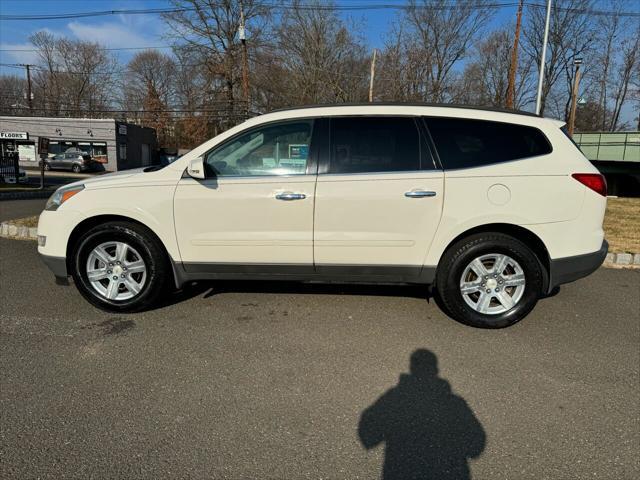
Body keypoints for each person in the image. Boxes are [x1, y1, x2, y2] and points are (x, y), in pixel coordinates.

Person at [358, 349, 486, 480]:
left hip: (401, 471)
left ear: (412, 367)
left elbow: (367, 434)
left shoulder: (395, 397)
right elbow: (477, 443)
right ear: (435, 370)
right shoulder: (455, 402)